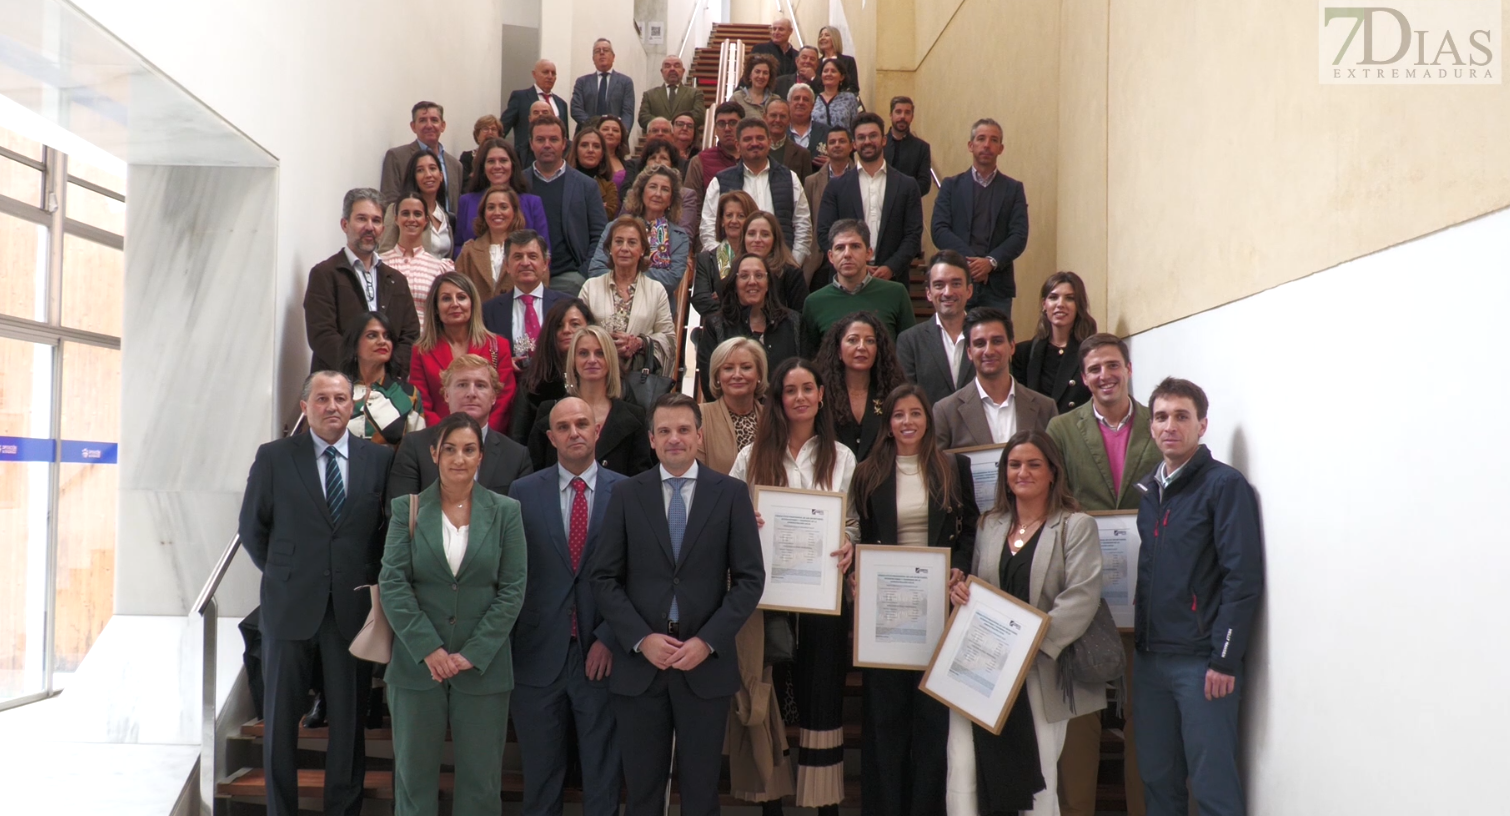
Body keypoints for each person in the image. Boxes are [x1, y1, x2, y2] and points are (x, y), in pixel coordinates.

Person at [588, 392, 765, 816]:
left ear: (699, 436)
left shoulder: (731, 494)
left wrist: (707, 641)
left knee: (701, 794)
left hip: (704, 666)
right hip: (640, 667)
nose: (674, 439)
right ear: (650, 440)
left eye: (683, 430)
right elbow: (605, 578)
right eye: (664, 431)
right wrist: (639, 639)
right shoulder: (628, 494)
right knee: (644, 793)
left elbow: (749, 581)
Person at [238, 370, 394, 816]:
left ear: (354, 406)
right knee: (281, 724)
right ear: (305, 407)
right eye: (322, 398)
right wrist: (286, 573)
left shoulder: (378, 461)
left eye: (341, 398)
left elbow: (384, 533)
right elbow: (253, 529)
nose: (332, 406)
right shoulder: (274, 457)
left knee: (348, 726)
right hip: (290, 607)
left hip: (352, 609)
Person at [947, 429, 1105, 816]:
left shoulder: (1076, 525)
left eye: (1034, 464)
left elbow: (1081, 597)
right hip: (983, 670)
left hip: (1040, 669)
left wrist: (1026, 643)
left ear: (1053, 472)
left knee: (1037, 778)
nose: (1023, 472)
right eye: (1014, 465)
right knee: (964, 764)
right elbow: (979, 588)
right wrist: (961, 593)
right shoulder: (989, 525)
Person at [380, 411, 527, 816]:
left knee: (481, 786)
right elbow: (392, 583)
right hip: (416, 667)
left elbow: (513, 589)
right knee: (413, 782)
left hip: (482, 668)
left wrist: (472, 653)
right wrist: (430, 649)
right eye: (449, 449)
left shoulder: (506, 512)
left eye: (468, 450)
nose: (459, 458)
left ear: (481, 456)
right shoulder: (405, 509)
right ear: (434, 453)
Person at [729, 358, 857, 816]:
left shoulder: (842, 456)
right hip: (767, 601)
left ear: (822, 395)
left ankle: (825, 806)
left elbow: (854, 522)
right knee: (772, 699)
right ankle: (771, 806)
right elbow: (728, 521)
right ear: (778, 399)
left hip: (823, 599)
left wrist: (849, 546)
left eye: (808, 388)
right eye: (790, 390)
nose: (799, 397)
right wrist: (748, 520)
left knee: (822, 698)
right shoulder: (751, 456)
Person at [1133, 378, 1264, 816]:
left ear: (1202, 424)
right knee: (1157, 780)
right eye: (1161, 416)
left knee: (1212, 786)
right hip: (1151, 661)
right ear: (1151, 427)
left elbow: (1241, 578)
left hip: (1202, 665)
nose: (1170, 425)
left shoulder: (1224, 486)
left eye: (1181, 416)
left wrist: (1224, 658)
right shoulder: (1150, 491)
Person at [1044, 333, 1160, 816]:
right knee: (1081, 712)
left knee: (1145, 715)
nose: (1104, 376)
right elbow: (1055, 497)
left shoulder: (1160, 424)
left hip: (1146, 585)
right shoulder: (1061, 428)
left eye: (1112, 366)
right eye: (1093, 369)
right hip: (1084, 584)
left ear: (1128, 368)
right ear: (1083, 376)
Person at [851, 383, 978, 816]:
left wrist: (960, 565)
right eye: (898, 415)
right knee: (884, 722)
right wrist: (856, 579)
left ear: (928, 420)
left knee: (931, 723)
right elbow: (861, 539)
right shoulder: (867, 472)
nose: (907, 422)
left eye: (916, 414)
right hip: (883, 617)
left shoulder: (952, 468)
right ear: (888, 424)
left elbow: (972, 529)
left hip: (937, 614)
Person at [508, 397, 627, 816]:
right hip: (537, 656)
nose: (574, 432)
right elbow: (511, 575)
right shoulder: (522, 493)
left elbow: (637, 575)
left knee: (603, 778)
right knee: (541, 782)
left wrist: (610, 638)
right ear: (550, 437)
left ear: (597, 431)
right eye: (564, 426)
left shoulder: (628, 491)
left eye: (582, 423)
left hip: (602, 656)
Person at [305, 188, 421, 378]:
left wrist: (385, 372)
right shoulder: (325, 274)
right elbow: (322, 335)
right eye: (361, 219)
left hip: (388, 388)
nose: (370, 227)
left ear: (383, 229)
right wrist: (360, 371)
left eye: (376, 220)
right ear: (344, 224)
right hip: (338, 387)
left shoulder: (397, 280)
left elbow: (410, 335)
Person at [388, 354, 534, 500]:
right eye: (462, 385)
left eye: (480, 385)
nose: (471, 393)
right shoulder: (414, 446)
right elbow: (401, 515)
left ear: (494, 397)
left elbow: (521, 519)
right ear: (446, 394)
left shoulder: (516, 457)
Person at [528, 324, 654, 475]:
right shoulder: (548, 412)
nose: (592, 360)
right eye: (583, 353)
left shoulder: (635, 417)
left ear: (610, 359)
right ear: (573, 360)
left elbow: (639, 480)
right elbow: (535, 473)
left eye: (600, 353)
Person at [931, 118, 1029, 313]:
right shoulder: (951, 186)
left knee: (996, 341)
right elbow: (939, 229)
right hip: (957, 283)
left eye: (994, 140)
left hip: (997, 287)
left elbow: (1018, 235)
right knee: (955, 341)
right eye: (981, 139)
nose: (987, 145)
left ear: (1001, 148)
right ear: (971, 145)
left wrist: (990, 262)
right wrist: (972, 263)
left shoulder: (1013, 189)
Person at [816, 111, 923, 287]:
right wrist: (857, 266)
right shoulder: (835, 187)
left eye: (873, 136)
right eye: (861, 137)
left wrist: (891, 267)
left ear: (883, 140)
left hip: (892, 281)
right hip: (846, 280)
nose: (867, 141)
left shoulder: (907, 185)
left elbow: (913, 234)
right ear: (854, 145)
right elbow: (824, 233)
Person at [933, 307, 1056, 450]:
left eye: (997, 341)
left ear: (1011, 346)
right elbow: (938, 469)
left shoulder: (1045, 408)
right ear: (969, 352)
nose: (989, 351)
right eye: (980, 344)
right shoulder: (946, 412)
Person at [410, 272, 517, 433]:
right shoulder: (421, 351)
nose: (455, 304)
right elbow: (421, 403)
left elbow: (504, 400)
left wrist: (481, 435)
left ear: (472, 303)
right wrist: (449, 435)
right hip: (440, 439)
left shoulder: (498, 345)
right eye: (446, 298)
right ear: (436, 308)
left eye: (461, 297)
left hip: (489, 439)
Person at [697, 119, 811, 268]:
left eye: (760, 138)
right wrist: (726, 267)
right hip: (734, 272)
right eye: (747, 139)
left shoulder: (790, 178)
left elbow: (803, 226)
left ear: (769, 142)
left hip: (780, 270)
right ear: (738, 145)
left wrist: (791, 265)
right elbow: (708, 229)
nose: (755, 143)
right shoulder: (720, 181)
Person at [798, 219, 915, 355]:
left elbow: (910, 351)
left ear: (868, 253)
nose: (847, 254)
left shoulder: (896, 293)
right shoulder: (814, 303)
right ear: (830, 256)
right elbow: (810, 358)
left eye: (855, 246)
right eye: (840, 248)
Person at [580, 216, 676, 374]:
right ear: (610, 248)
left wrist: (639, 343)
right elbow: (579, 333)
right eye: (618, 241)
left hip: (638, 379)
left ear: (643, 250)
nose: (624, 248)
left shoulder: (656, 290)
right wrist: (604, 345)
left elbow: (669, 340)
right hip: (597, 372)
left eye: (632, 242)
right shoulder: (590, 287)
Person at [696, 254, 800, 400]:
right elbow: (710, 384)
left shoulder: (793, 321)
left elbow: (803, 373)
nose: (752, 282)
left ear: (768, 283)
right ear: (735, 284)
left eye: (759, 275)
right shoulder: (716, 325)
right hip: (730, 416)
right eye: (744, 276)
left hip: (784, 415)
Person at [528, 116, 608, 297]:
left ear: (564, 143)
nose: (547, 145)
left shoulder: (586, 185)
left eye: (553, 139)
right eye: (540, 139)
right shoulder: (519, 183)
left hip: (570, 278)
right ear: (531, 144)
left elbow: (601, 235)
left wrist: (584, 273)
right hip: (525, 276)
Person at [815, 311, 906, 460]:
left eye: (870, 341)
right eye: (853, 340)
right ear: (838, 350)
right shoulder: (821, 394)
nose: (862, 347)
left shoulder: (893, 392)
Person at [590, 166, 691, 298]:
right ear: (641, 192)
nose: (658, 194)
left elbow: (671, 280)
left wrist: (627, 271)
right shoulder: (615, 227)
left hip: (655, 306)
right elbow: (596, 270)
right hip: (611, 298)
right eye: (653, 187)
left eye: (665, 189)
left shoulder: (679, 236)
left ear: (671, 200)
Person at [897, 250, 976, 404]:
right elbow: (907, 400)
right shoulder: (910, 341)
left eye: (956, 284)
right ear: (928, 293)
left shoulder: (987, 338)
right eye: (939, 285)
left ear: (969, 290)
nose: (948, 292)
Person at [1012, 271, 1096, 415]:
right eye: (1053, 297)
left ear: (1079, 305)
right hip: (1037, 433)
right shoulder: (1023, 353)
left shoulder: (1090, 352)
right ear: (1044, 304)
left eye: (1069, 298)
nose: (1060, 304)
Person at [511, 297, 595, 443]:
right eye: (559, 326)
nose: (567, 330)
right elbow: (517, 438)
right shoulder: (534, 384)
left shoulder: (603, 377)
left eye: (575, 324)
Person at [480, 229, 567, 367]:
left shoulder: (567, 305)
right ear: (507, 265)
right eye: (518, 257)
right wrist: (505, 364)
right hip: (510, 384)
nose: (525, 263)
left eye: (532, 256)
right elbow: (483, 357)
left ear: (545, 263)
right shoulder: (489, 311)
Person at [340, 311, 426, 447]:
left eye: (387, 336)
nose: (382, 341)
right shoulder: (337, 391)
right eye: (372, 335)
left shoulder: (408, 394)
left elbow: (418, 450)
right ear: (355, 345)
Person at [455, 138, 549, 254]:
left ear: (512, 165)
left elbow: (544, 251)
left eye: (503, 160)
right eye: (491, 161)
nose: (497, 166)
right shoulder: (466, 201)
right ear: (483, 167)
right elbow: (457, 246)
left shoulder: (533, 203)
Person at [380, 192, 456, 331]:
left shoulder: (440, 267)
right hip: (388, 344)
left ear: (426, 220)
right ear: (396, 219)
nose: (411, 219)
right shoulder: (380, 263)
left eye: (417, 214)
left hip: (427, 345)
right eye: (405, 213)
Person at [696, 336, 768, 474]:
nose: (737, 375)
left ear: (759, 374)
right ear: (717, 377)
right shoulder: (699, 416)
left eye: (746, 367)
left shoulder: (774, 417)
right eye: (728, 369)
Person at [381, 101, 464, 215]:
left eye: (434, 120)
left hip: (445, 230)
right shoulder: (396, 158)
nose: (429, 125)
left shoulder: (455, 165)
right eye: (423, 120)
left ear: (443, 126)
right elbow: (389, 203)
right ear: (413, 126)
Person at [690, 190, 757, 318]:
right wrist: (731, 313)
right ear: (721, 220)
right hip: (718, 330)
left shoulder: (758, 257)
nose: (734, 221)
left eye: (741, 216)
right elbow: (701, 300)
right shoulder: (706, 259)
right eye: (729, 215)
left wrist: (721, 298)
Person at [379, 149, 455, 258]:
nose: (428, 175)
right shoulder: (397, 209)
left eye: (432, 168)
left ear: (441, 176)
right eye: (420, 170)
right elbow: (384, 253)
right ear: (413, 176)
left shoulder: (445, 217)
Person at [455, 186, 526, 300]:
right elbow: (458, 290)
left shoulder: (527, 249)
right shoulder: (469, 251)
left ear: (514, 211)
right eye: (491, 207)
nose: (497, 212)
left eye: (503, 207)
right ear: (483, 213)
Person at [801, 126, 851, 287]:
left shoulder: (861, 178)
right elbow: (807, 222)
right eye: (832, 142)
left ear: (851, 146)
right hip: (820, 259)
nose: (837, 145)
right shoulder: (812, 182)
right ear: (826, 148)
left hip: (851, 254)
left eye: (842, 141)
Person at [684, 103, 746, 221]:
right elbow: (691, 208)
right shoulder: (699, 161)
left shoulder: (755, 159)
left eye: (733, 123)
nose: (727, 128)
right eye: (721, 124)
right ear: (716, 129)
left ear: (743, 126)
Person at [741, 210, 810, 312]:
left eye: (765, 234)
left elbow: (801, 317)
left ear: (775, 239)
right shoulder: (734, 270)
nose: (757, 239)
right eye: (751, 234)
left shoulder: (792, 274)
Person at [504, 59, 572, 157]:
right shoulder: (520, 98)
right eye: (545, 72)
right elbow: (502, 128)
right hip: (525, 158)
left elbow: (565, 135)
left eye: (553, 73)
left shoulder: (561, 104)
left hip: (555, 158)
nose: (550, 76)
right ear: (534, 74)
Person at [571, 39, 636, 133]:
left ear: (613, 57)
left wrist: (622, 132)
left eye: (605, 50)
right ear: (593, 58)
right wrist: (594, 127)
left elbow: (628, 113)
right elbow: (576, 109)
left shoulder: (625, 82)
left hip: (615, 137)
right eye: (597, 51)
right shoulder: (582, 82)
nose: (601, 53)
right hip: (587, 134)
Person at [639, 55, 705, 142]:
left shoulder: (695, 93)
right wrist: (665, 126)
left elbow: (699, 116)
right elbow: (643, 117)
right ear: (662, 72)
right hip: (657, 143)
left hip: (686, 144)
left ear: (683, 71)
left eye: (677, 66)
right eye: (667, 66)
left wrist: (677, 125)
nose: (672, 69)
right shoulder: (649, 95)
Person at [884, 96, 933, 197]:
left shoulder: (922, 148)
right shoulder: (879, 144)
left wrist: (904, 196)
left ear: (912, 117)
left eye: (907, 112)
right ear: (890, 115)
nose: (902, 116)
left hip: (909, 206)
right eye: (898, 112)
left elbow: (924, 183)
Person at [568, 126, 621, 218]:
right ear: (576, 151)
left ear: (602, 154)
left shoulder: (609, 187)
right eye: (584, 145)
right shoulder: (564, 181)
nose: (590, 150)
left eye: (596, 146)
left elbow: (606, 217)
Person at [765, 99, 814, 182]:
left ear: (789, 120)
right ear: (765, 118)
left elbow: (806, 189)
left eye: (783, 116)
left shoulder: (802, 154)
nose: (777, 120)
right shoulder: (754, 149)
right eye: (773, 115)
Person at [812, 57, 859, 133]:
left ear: (841, 77)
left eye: (833, 71)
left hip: (843, 143)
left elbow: (855, 126)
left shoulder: (849, 98)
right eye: (825, 71)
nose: (829, 74)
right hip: (819, 143)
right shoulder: (813, 98)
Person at [585, 114, 630, 191]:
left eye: (615, 130)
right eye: (605, 129)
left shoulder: (626, 163)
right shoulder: (590, 158)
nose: (610, 133)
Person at [785, 83, 829, 160]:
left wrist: (832, 162)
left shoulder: (827, 132)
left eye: (805, 99)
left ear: (812, 106)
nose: (801, 102)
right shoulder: (781, 131)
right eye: (796, 98)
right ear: (788, 103)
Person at [730, 53, 780, 121]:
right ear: (750, 74)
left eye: (765, 73)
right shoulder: (737, 98)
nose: (761, 76)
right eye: (757, 72)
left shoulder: (776, 100)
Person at [816, 26, 860, 96]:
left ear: (835, 38)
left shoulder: (848, 61)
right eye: (820, 36)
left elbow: (854, 87)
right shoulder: (816, 63)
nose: (822, 38)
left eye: (827, 35)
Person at [459, 114, 501, 182]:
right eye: (485, 129)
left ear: (499, 135)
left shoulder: (506, 156)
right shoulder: (467, 157)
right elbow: (464, 185)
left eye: (493, 129)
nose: (490, 132)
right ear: (477, 135)